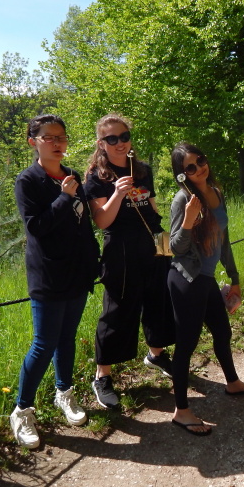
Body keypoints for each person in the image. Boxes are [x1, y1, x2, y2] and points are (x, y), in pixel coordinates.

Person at [10, 114, 101, 449]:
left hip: (77, 272)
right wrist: (63, 198)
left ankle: (64, 393)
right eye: (49, 137)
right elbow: (36, 228)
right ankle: (22, 411)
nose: (57, 143)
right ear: (33, 142)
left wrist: (94, 261)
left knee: (67, 338)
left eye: (61, 136)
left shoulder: (72, 175)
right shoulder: (28, 180)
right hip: (48, 276)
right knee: (44, 344)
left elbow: (83, 224)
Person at [167, 142, 244, 436]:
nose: (199, 168)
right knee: (186, 344)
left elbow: (224, 239)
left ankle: (233, 383)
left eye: (201, 160)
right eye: (190, 167)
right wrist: (188, 220)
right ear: (181, 174)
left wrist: (234, 278)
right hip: (187, 279)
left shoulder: (216, 192)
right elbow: (175, 248)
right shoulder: (182, 200)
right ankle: (181, 411)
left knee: (222, 332)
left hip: (207, 278)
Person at [83, 113, 176, 409]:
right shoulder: (97, 176)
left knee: (159, 299)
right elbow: (102, 221)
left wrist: (165, 242)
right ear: (101, 143)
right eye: (112, 139)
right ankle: (103, 376)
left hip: (153, 241)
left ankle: (156, 354)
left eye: (124, 136)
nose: (119, 143)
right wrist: (117, 194)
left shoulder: (142, 169)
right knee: (118, 309)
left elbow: (152, 208)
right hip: (121, 247)